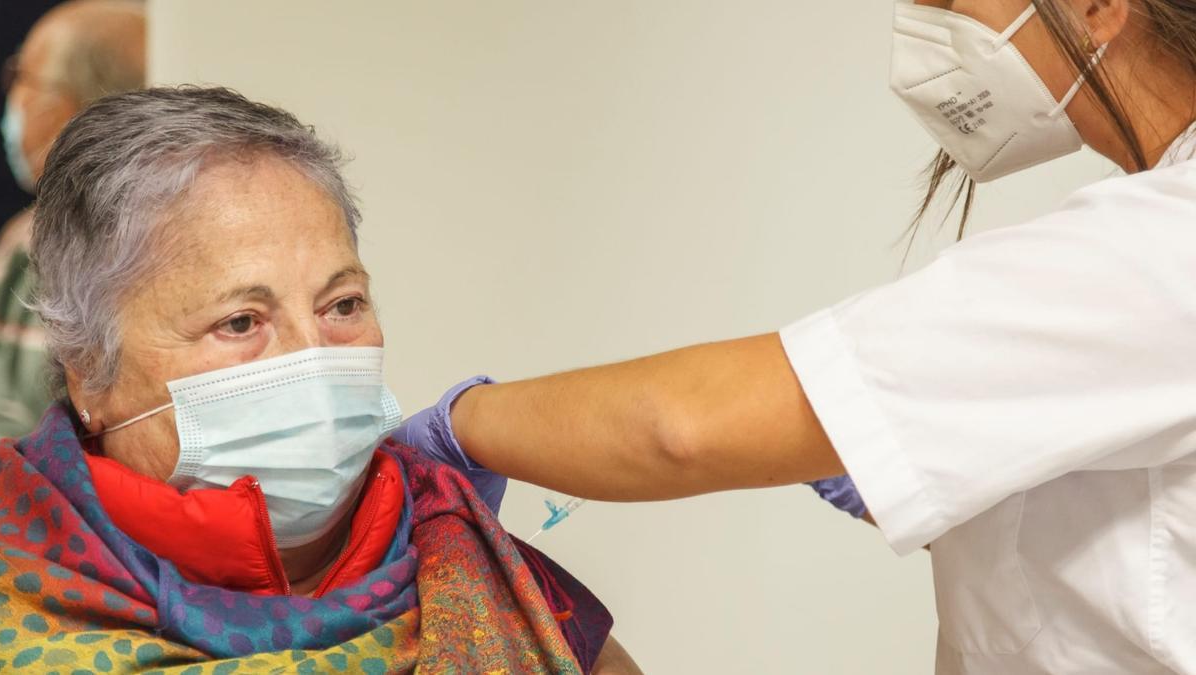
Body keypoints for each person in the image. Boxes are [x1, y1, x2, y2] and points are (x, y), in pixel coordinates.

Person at [397, 0, 1196, 672]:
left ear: (1096, 5)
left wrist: (459, 426)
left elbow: (679, 429)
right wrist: (938, 488)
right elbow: (1133, 537)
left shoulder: (1156, 245)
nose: (922, 21)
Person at [0, 86, 639, 674]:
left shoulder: (506, 588)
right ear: (90, 377)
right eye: (241, 321)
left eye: (343, 305)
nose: (314, 358)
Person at [0, 0, 145, 438]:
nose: (14, 99)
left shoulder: (45, 241)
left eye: (23, 75)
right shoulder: (163, 228)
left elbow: (16, 424)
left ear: (71, 105)